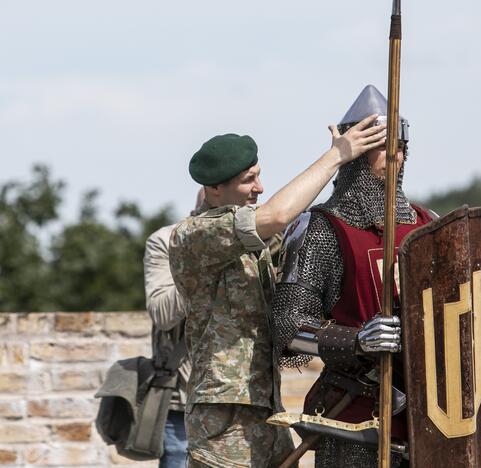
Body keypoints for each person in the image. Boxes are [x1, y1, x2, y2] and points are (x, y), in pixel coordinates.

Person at [168, 115, 386, 468]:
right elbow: (278, 215)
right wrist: (336, 157)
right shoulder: (194, 236)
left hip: (265, 405)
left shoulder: (251, 245)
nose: (259, 188)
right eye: (248, 180)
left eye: (258, 175)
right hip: (224, 418)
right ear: (213, 190)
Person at [271, 85, 434, 468]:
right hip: (356, 419)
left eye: (399, 144)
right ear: (355, 150)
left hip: (430, 421)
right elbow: (287, 326)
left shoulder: (431, 227)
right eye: (379, 144)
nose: (394, 153)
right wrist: (358, 340)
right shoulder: (322, 228)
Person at [144, 191, 206, 467]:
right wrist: (205, 259)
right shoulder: (166, 240)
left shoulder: (260, 240)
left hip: (243, 402)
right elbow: (162, 314)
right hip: (183, 401)